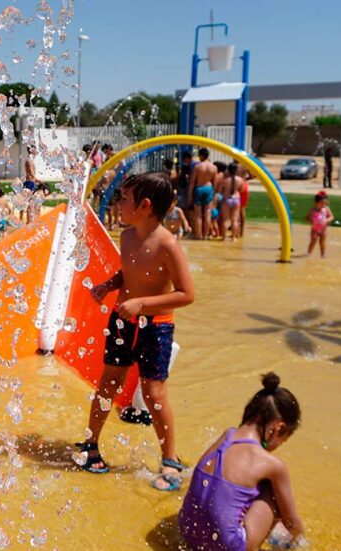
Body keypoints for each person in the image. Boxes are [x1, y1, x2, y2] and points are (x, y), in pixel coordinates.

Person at [78, 172, 195, 491]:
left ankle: (169, 460)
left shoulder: (167, 244)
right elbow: (129, 272)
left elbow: (186, 294)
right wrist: (109, 285)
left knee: (155, 395)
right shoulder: (127, 236)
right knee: (107, 385)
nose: (119, 203)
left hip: (155, 328)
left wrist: (142, 304)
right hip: (121, 322)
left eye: (123, 198)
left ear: (144, 205)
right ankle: (90, 445)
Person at [178, 373, 307, 551]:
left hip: (187, 533)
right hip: (225, 546)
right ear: (279, 428)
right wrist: (301, 542)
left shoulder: (226, 436)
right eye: (283, 439)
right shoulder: (273, 465)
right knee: (272, 488)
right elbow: (292, 523)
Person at [189, 148, 217, 240]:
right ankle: (205, 235)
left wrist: (189, 195)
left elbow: (192, 182)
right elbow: (215, 183)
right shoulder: (214, 167)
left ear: (201, 155)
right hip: (209, 188)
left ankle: (199, 235)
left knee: (198, 215)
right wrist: (214, 194)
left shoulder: (197, 167)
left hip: (199, 188)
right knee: (207, 213)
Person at [216, 163, 243, 241]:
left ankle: (224, 237)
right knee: (235, 219)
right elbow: (241, 190)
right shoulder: (240, 180)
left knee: (225, 219)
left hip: (226, 199)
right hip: (236, 199)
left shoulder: (225, 181)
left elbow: (220, 191)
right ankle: (233, 237)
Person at [304, 192, 334, 258]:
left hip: (323, 229)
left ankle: (323, 255)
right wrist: (312, 220)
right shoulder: (312, 210)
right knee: (313, 241)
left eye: (325, 203)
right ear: (316, 203)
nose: (323, 205)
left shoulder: (326, 209)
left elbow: (331, 217)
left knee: (322, 242)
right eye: (321, 203)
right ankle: (308, 253)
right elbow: (306, 217)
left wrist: (326, 220)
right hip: (314, 229)